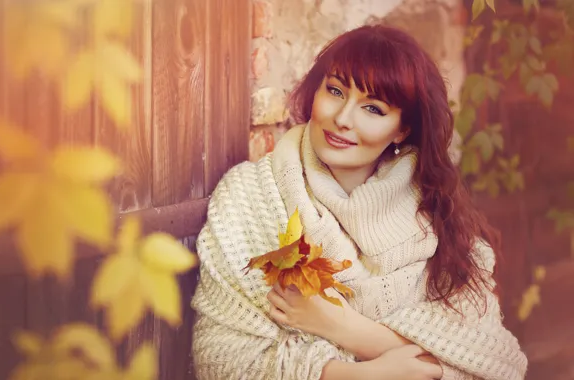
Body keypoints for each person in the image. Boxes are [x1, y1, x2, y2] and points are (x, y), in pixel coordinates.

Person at [190, 24, 528, 380]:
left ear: (402, 130)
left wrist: (342, 327)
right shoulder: (251, 197)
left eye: (373, 109)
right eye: (335, 91)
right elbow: (220, 362)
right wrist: (363, 374)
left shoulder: (437, 214)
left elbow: (497, 365)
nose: (342, 118)